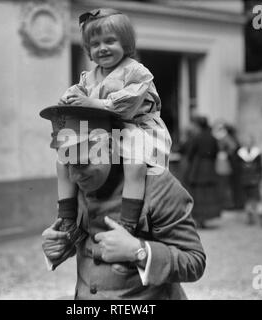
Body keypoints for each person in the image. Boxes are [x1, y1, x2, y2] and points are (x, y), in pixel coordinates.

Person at [40, 105, 206, 300]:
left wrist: (138, 251)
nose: (74, 176)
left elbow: (194, 262)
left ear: (111, 147)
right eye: (67, 165)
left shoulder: (158, 185)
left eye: (82, 164)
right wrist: (57, 247)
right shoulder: (77, 183)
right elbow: (83, 242)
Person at [55, 8, 172, 243]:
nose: (102, 48)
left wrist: (92, 102)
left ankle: (128, 221)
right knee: (64, 157)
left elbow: (128, 104)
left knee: (134, 161)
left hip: (134, 126)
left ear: (126, 43)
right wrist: (67, 101)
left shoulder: (137, 71)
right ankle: (67, 217)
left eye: (110, 41)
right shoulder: (89, 76)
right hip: (102, 130)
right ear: (88, 49)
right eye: (95, 44)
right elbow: (75, 94)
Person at [185, 116, 221, 228]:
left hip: (199, 167)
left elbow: (190, 153)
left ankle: (199, 218)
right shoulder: (212, 138)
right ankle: (205, 218)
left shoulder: (197, 137)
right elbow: (215, 152)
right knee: (208, 192)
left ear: (198, 125)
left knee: (198, 192)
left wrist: (192, 164)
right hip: (209, 167)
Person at [237, 135, 262, 228]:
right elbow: (237, 168)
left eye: (249, 141)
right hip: (244, 179)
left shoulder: (257, 153)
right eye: (246, 141)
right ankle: (250, 216)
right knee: (247, 198)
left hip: (254, 179)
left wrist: (259, 177)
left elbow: (260, 167)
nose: (248, 143)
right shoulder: (240, 153)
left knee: (257, 198)